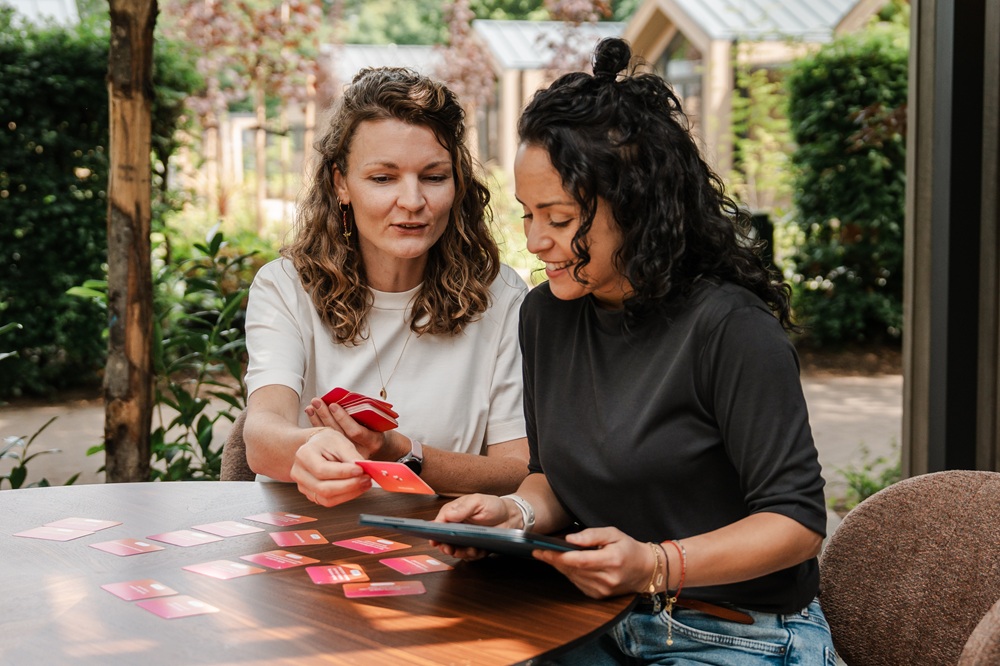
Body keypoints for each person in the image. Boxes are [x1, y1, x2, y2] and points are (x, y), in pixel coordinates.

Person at [433, 38, 836, 664]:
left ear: (637, 206)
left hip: (738, 631)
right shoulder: (545, 316)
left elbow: (797, 523)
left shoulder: (730, 328)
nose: (536, 241)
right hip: (591, 620)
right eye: (527, 214)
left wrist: (654, 564)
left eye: (560, 218)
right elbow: (556, 480)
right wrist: (512, 513)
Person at [243, 67, 529, 507]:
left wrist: (402, 454)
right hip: (308, 535)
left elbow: (517, 470)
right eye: (383, 178)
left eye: (434, 177)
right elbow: (262, 435)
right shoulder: (285, 286)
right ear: (341, 184)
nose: (413, 202)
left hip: (441, 546)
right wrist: (305, 450)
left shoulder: (503, 297)